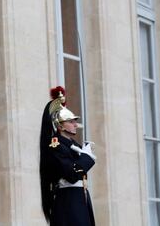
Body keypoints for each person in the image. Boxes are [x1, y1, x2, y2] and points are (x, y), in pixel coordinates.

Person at [39, 86, 96, 226]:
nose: (75, 125)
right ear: (60, 126)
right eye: (71, 121)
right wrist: (86, 157)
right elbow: (71, 174)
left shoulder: (72, 146)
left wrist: (83, 154)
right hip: (68, 201)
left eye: (75, 121)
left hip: (78, 199)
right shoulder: (56, 145)